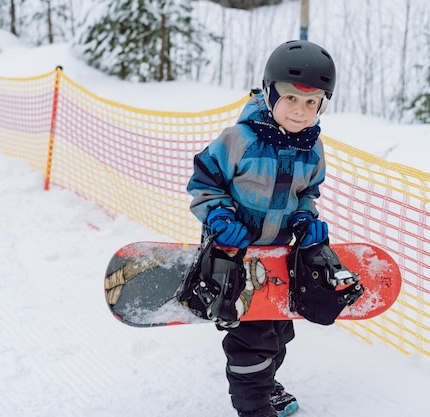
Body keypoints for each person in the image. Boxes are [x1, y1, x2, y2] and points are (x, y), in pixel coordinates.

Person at [186, 40, 337, 417]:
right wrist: (219, 218)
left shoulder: (312, 150)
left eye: (311, 102)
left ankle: (268, 386)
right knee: (251, 342)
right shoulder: (239, 140)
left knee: (280, 333)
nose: (301, 112)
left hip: (277, 258)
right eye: (290, 98)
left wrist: (305, 218)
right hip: (233, 254)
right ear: (269, 92)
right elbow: (205, 183)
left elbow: (307, 193)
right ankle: (254, 408)